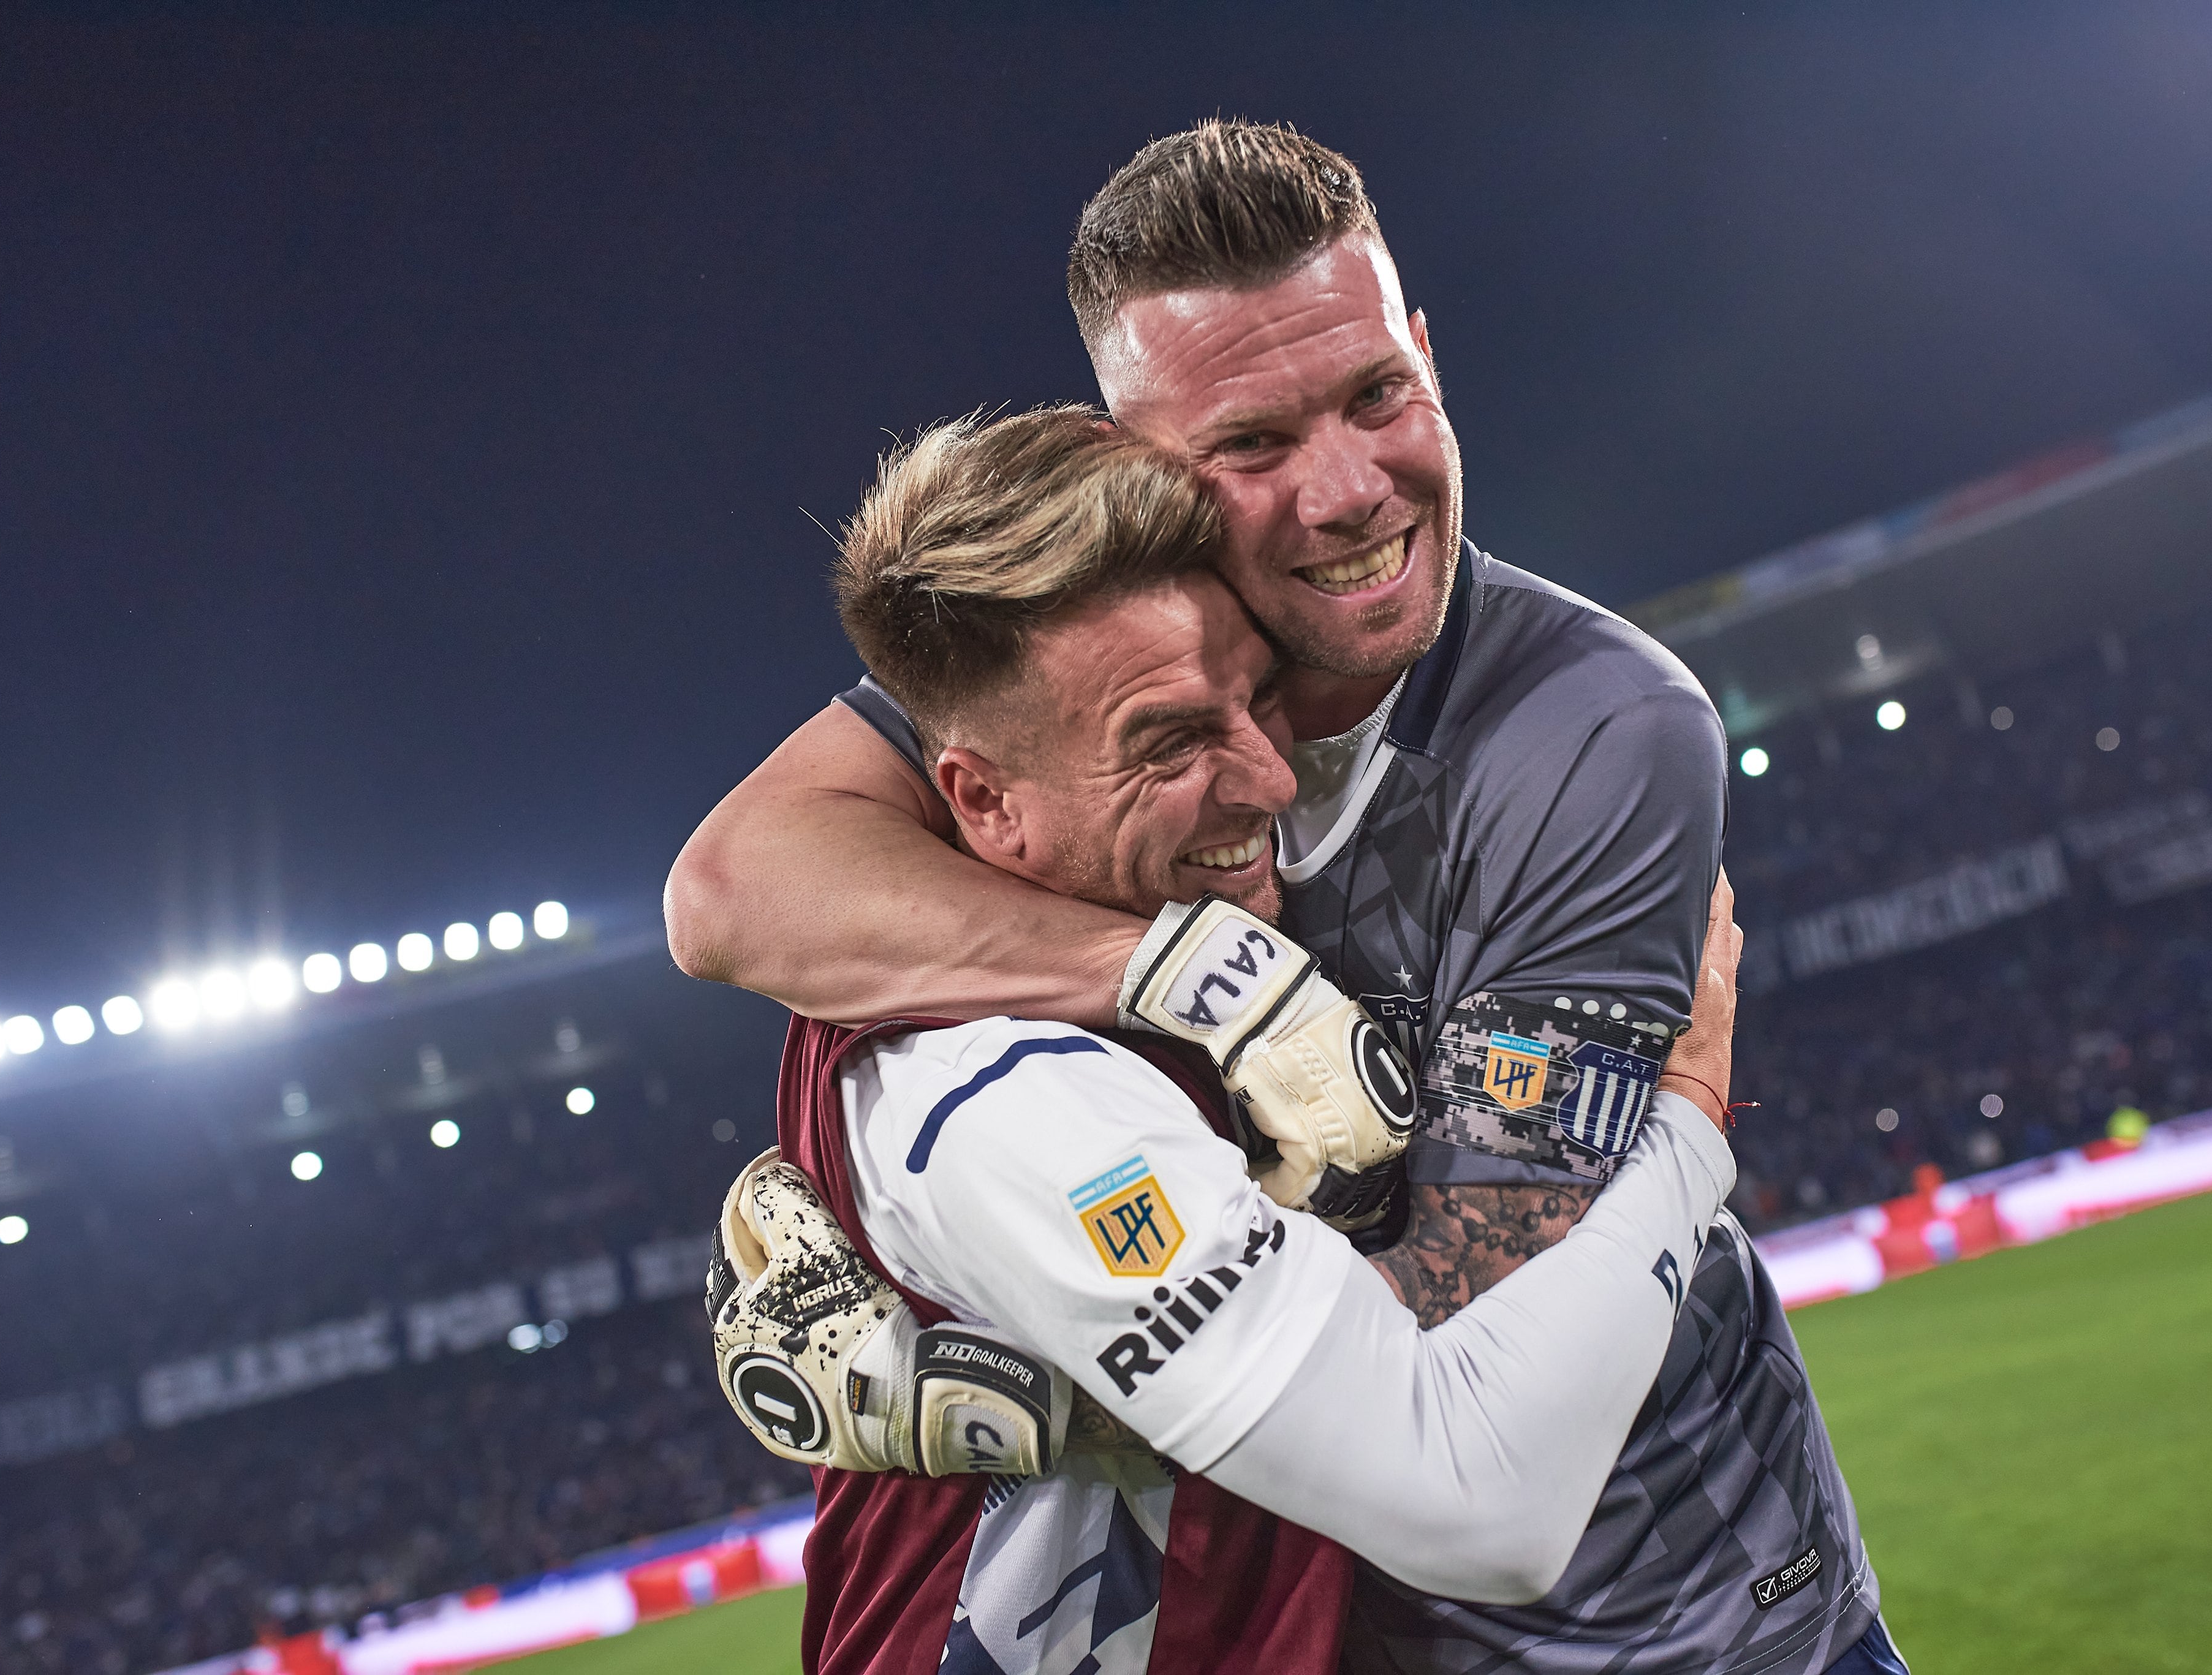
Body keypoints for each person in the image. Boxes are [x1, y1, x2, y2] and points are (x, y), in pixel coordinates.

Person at [670, 122, 1900, 1675]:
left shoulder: (1588, 735)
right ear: (1140, 465)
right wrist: (1194, 981)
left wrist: (1005, 1366)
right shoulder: (1075, 661)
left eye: (1377, 394)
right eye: (1250, 444)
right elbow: (731, 891)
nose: (1345, 490)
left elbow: (1453, 1359)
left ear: (1425, 356)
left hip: (1676, 1630)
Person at [713, 406, 1741, 1674]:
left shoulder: (1020, 953)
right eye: (1171, 742)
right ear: (978, 797)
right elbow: (1484, 1500)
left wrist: (1050, 1399)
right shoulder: (1016, 1096)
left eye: (1258, 699)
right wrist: (1687, 1118)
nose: (1265, 778)